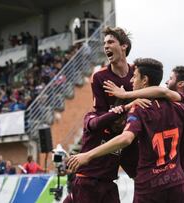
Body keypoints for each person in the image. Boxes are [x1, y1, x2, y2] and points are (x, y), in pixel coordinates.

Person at [67, 58, 184, 203]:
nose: (131, 80)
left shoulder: (139, 108)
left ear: (144, 80)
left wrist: (87, 155)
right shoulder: (178, 106)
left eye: (134, 77)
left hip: (151, 185)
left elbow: (125, 139)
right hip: (177, 181)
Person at [64, 26, 137, 203]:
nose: (106, 46)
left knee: (142, 175)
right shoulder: (100, 77)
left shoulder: (137, 73)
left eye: (111, 42)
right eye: (104, 43)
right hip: (90, 179)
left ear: (124, 46)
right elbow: (100, 115)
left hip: (126, 137)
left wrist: (125, 97)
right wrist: (123, 110)